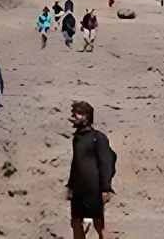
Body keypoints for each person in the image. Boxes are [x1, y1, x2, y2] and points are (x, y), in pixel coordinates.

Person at [66, 100, 116, 239]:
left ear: (85, 117)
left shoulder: (98, 138)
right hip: (78, 188)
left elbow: (107, 162)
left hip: (94, 188)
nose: (72, 118)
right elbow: (76, 163)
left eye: (75, 115)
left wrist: (106, 188)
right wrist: (70, 186)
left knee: (98, 223)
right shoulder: (77, 138)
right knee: (75, 221)